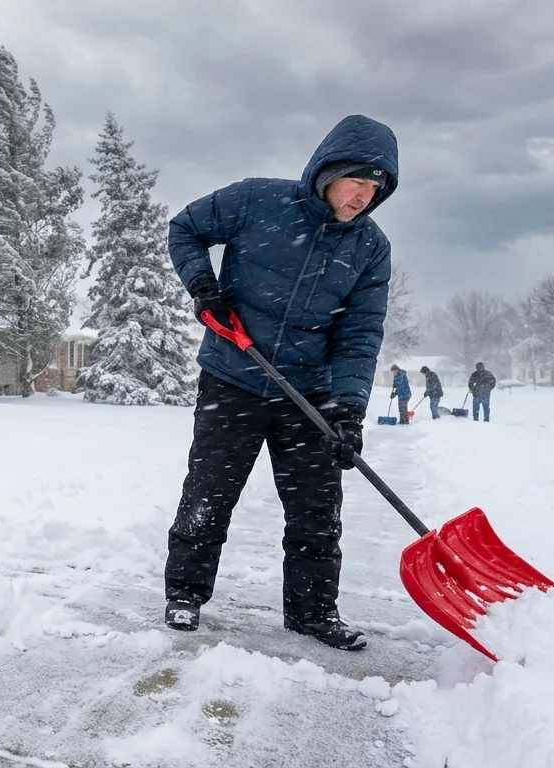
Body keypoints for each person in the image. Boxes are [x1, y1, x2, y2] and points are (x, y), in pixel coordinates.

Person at [161, 114, 398, 652]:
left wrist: (347, 409)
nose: (364, 195)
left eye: (374, 187)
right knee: (209, 494)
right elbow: (186, 228)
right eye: (356, 180)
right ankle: (185, 593)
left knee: (317, 508)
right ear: (327, 172)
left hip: (308, 393)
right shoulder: (256, 201)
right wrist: (203, 285)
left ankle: (313, 612)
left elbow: (360, 332)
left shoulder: (370, 248)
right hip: (233, 376)